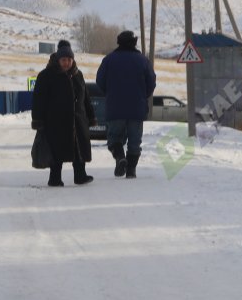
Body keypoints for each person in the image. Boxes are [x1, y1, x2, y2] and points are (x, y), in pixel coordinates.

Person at [31, 40, 95, 187]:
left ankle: (80, 176)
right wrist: (38, 120)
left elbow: (86, 98)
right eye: (64, 60)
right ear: (58, 59)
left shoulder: (78, 75)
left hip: (78, 120)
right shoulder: (46, 76)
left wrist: (91, 116)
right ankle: (54, 178)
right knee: (56, 150)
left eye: (69, 59)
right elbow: (38, 100)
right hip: (55, 121)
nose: (67, 63)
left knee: (79, 148)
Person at [95, 30, 156, 178]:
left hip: (115, 108)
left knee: (114, 138)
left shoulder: (109, 60)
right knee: (135, 141)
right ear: (134, 42)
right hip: (137, 108)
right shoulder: (143, 61)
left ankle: (120, 158)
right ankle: (131, 170)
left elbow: (100, 81)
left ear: (119, 42)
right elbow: (151, 83)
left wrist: (110, 94)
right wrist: (142, 96)